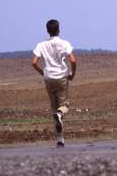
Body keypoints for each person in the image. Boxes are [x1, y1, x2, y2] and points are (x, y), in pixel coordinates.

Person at [32, 19, 77, 148]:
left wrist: (43, 72)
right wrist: (72, 74)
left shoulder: (41, 45)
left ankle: (60, 139)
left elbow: (34, 62)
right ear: (58, 30)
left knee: (54, 108)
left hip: (48, 79)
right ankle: (60, 115)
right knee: (64, 106)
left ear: (47, 31)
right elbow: (73, 60)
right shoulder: (64, 43)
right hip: (62, 77)